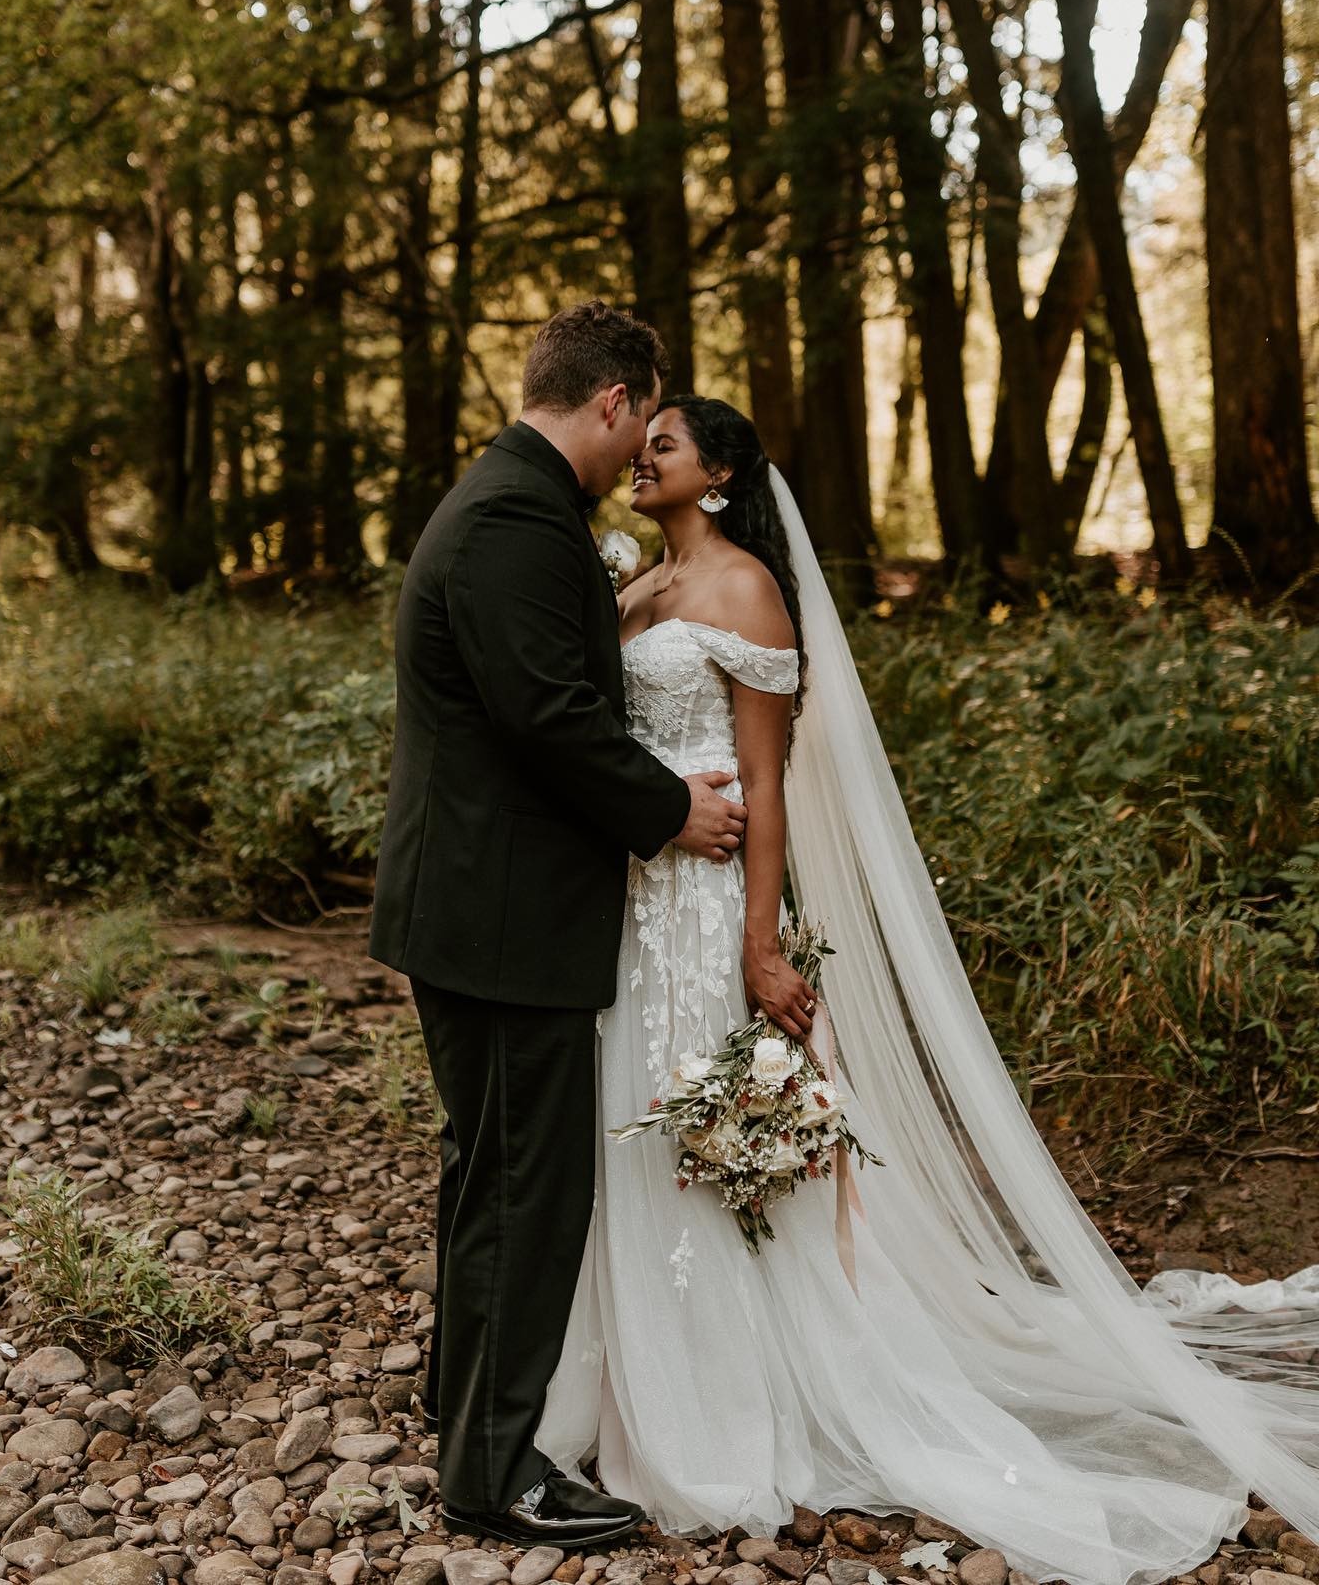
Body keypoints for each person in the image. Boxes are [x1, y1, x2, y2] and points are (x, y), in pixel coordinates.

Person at [534, 395, 1319, 1585]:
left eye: (666, 446)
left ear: (724, 470)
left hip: (707, 909)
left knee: (710, 1132)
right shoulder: (635, 585)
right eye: (639, 444)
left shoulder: (746, 588)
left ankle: (738, 1402)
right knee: (632, 1131)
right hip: (634, 907)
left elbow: (765, 781)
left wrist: (760, 946)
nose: (642, 457)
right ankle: (636, 1384)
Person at [368, 304, 751, 1549]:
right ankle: (493, 1474)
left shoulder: (505, 502)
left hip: (479, 901)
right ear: (613, 399)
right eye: (642, 417)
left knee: (492, 1170)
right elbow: (550, 718)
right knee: (530, 1185)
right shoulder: (518, 522)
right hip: (502, 909)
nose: (641, 445)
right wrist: (670, 810)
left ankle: (463, 1407)